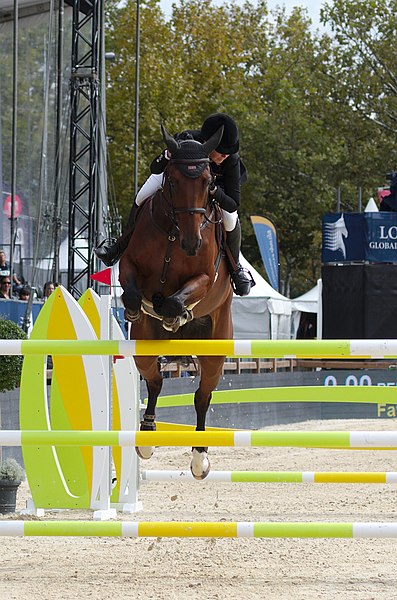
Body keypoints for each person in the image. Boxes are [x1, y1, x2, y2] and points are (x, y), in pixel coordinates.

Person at [95, 113, 254, 296]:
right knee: (141, 197)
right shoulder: (185, 140)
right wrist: (166, 155)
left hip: (211, 189)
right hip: (177, 183)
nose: (226, 154)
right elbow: (155, 168)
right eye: (221, 150)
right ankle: (118, 247)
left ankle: (236, 268)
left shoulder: (231, 160)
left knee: (231, 219)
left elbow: (233, 203)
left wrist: (213, 190)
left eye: (229, 151)